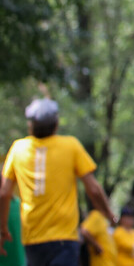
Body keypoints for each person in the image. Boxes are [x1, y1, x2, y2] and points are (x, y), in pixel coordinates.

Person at [0, 99, 117, 266]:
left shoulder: (18, 148)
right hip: (64, 238)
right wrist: (109, 214)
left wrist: (3, 229)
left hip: (32, 238)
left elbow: (4, 193)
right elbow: (94, 189)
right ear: (56, 124)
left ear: (30, 126)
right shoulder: (70, 146)